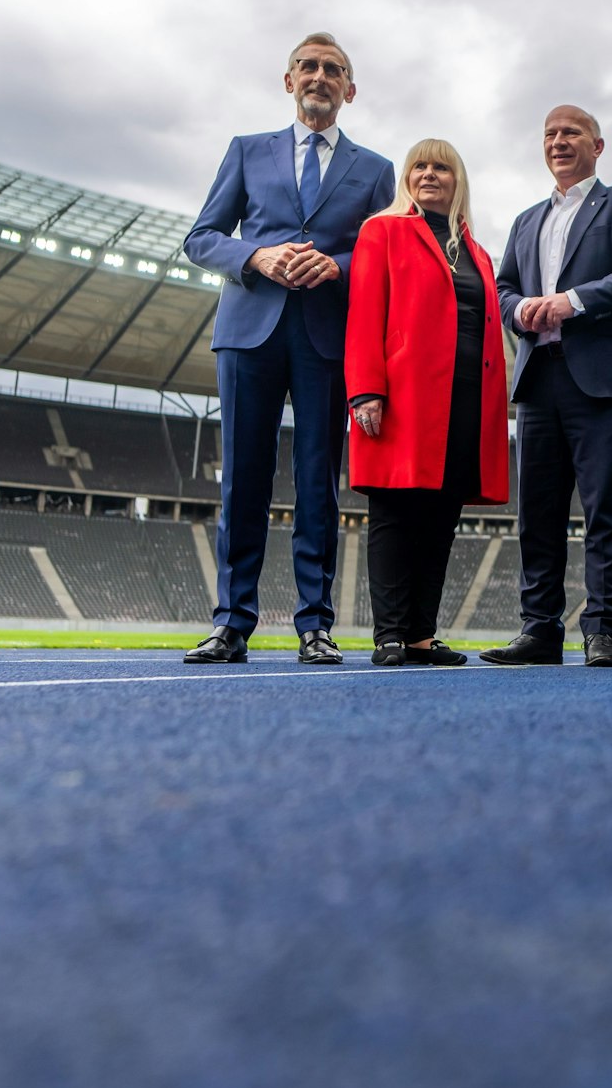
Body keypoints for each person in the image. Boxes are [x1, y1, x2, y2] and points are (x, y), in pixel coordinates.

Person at [181, 33, 395, 665]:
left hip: (327, 337)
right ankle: (231, 622)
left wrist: (338, 264)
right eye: (308, 66)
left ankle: (315, 625)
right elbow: (201, 237)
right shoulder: (247, 152)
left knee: (317, 485)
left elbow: (385, 256)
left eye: (333, 70)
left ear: (349, 90)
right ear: (288, 79)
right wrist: (258, 255)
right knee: (242, 479)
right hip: (250, 331)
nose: (319, 76)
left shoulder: (377, 169)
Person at [481, 105, 612, 668]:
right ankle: (539, 629)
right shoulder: (527, 219)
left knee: (606, 507)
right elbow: (504, 285)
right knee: (537, 511)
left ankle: (602, 629)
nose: (559, 141)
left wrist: (572, 301)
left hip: (602, 381)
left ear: (597, 145)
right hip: (539, 377)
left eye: (571, 133)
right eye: (550, 134)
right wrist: (519, 312)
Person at [345, 140, 510, 665]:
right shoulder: (383, 231)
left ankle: (420, 634)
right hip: (404, 396)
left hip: (464, 400)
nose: (430, 174)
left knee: (440, 519)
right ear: (407, 178)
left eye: (442, 166)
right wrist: (366, 389)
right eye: (420, 165)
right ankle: (389, 634)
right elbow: (366, 310)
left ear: (458, 180)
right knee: (395, 513)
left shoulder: (477, 252)